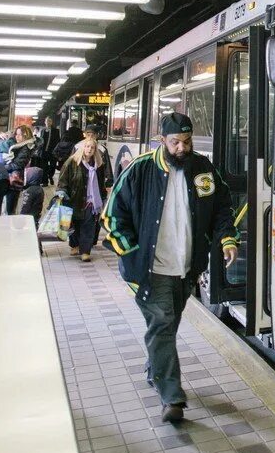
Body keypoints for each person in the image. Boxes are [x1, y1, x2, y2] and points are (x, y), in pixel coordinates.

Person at [101, 113, 238, 424]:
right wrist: (131, 254)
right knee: (162, 323)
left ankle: (155, 367)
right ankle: (171, 396)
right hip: (151, 269)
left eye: (187, 142)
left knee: (167, 326)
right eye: (175, 142)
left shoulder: (202, 168)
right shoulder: (140, 170)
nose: (181, 148)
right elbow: (112, 216)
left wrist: (227, 238)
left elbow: (221, 207)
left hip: (187, 268)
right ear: (161, 140)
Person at [57, 137, 113, 261]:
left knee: (88, 225)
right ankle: (74, 245)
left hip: (91, 201)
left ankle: (85, 251)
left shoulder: (98, 165)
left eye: (92, 147)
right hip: (74, 199)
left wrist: (103, 197)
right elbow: (63, 179)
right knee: (75, 224)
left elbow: (100, 184)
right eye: (87, 147)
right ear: (83, 148)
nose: (89, 149)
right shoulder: (72, 162)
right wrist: (62, 191)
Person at [4, 125, 36, 214]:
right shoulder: (21, 145)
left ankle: (10, 225)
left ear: (25, 136)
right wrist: (1, 134)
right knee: (9, 207)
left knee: (10, 209)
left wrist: (2, 168)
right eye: (16, 134)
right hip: (13, 179)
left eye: (19, 135)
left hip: (15, 180)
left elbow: (18, 165)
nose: (17, 137)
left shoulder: (26, 147)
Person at [35, 116, 61, 184]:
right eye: (47, 121)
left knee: (53, 166)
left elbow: (58, 141)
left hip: (53, 152)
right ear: (45, 122)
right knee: (44, 167)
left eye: (49, 121)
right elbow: (40, 141)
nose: (48, 122)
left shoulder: (56, 131)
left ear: (51, 122)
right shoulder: (42, 130)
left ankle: (50, 176)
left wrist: (57, 151)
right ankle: (45, 182)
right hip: (44, 152)